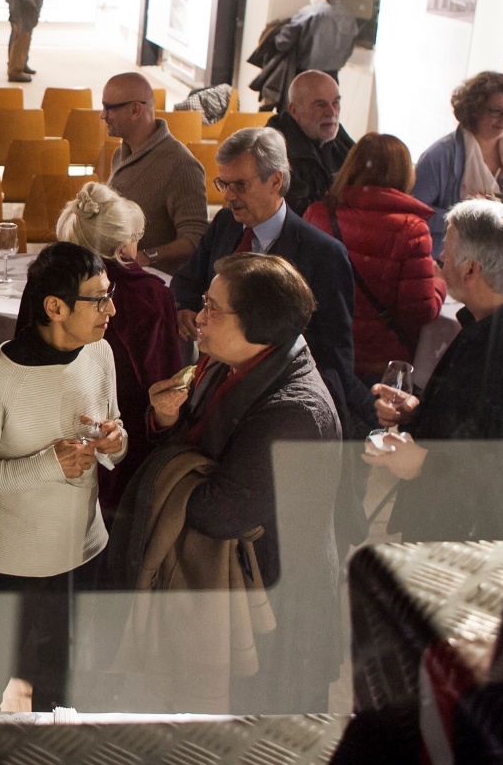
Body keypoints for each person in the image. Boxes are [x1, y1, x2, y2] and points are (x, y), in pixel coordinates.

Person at [135, 253, 343, 714]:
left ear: (258, 324)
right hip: (237, 595)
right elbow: (193, 440)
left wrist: (170, 468)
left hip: (277, 610)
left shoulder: (295, 413)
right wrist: (165, 419)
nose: (198, 317)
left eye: (213, 309)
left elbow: (220, 511)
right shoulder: (225, 362)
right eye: (204, 301)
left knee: (262, 738)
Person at [0, 242, 127, 712]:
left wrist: (115, 442)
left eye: (109, 295)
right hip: (7, 563)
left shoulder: (100, 353)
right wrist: (47, 464)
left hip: (81, 550)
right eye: (99, 299)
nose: (111, 310)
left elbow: (114, 430)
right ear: (55, 307)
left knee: (63, 692)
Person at [367, 200, 503, 542]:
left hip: (465, 548)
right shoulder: (494, 316)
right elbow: (478, 421)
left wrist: (423, 463)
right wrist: (416, 411)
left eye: (446, 249)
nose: (440, 258)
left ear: (472, 270)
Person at [171, 128, 359, 412]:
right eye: (224, 184)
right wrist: (185, 307)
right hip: (214, 387)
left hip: (277, 400)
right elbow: (188, 279)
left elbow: (335, 354)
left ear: (275, 180)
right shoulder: (225, 224)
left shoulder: (323, 254)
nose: (228, 196)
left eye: (240, 185)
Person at [44, 181, 181, 525]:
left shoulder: (46, 286)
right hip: (128, 441)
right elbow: (166, 380)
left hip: (52, 436)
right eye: (136, 237)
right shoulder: (151, 295)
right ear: (123, 246)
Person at [301, 133, 445, 381]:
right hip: (380, 364)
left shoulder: (317, 214)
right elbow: (420, 311)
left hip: (323, 354)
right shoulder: (411, 229)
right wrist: (440, 283)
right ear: (404, 173)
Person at [413, 70, 503, 258]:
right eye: (497, 111)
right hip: (449, 262)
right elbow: (413, 215)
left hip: (501, 262)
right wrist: (466, 216)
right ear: (475, 109)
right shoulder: (440, 156)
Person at [102, 72, 208, 272]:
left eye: (109, 108)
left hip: (153, 280)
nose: (103, 115)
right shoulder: (119, 154)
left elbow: (195, 238)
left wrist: (146, 256)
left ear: (135, 110)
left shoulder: (182, 165)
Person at [267, 70, 354, 218]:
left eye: (336, 103)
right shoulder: (273, 150)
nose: (332, 112)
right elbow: (299, 213)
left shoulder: (336, 135)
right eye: (320, 105)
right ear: (294, 111)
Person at [273, 0, 358, 82]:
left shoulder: (309, 13)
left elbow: (282, 43)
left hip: (304, 78)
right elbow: (349, 49)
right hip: (332, 79)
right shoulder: (349, 17)